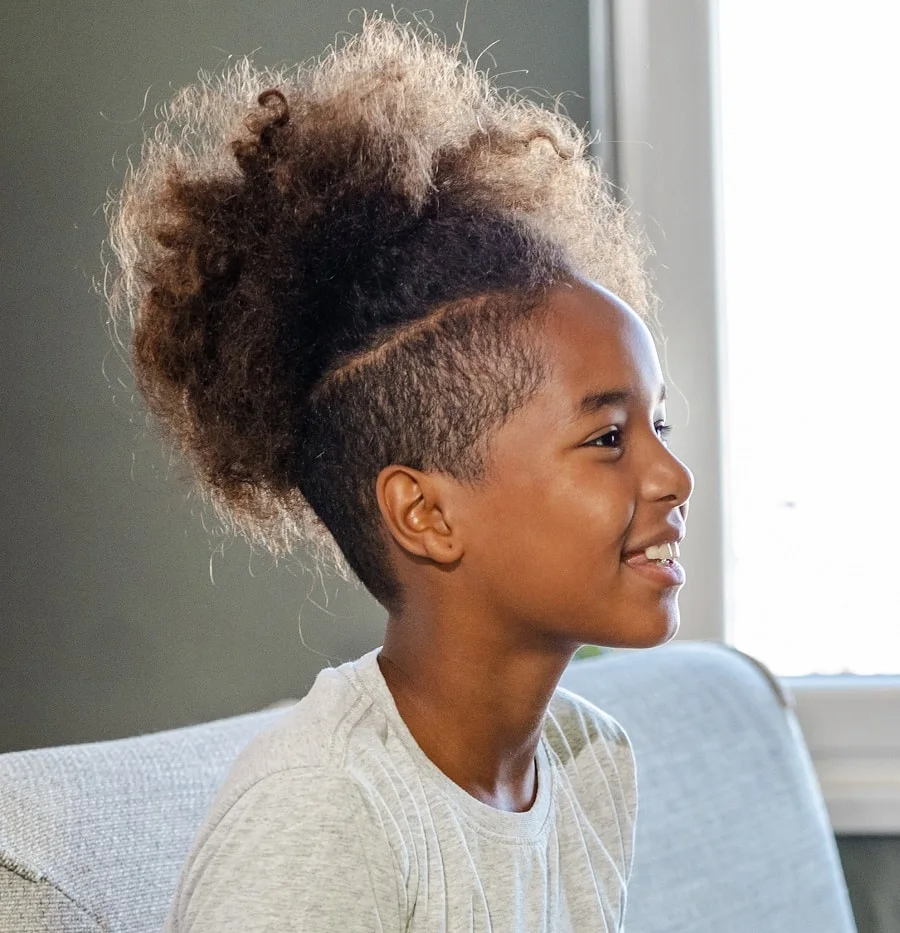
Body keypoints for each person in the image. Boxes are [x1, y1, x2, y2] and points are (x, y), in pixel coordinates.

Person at [106, 13, 692, 932]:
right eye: (609, 439)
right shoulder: (322, 815)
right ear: (425, 513)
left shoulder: (589, 760)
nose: (674, 477)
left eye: (660, 423)